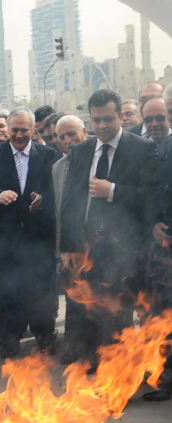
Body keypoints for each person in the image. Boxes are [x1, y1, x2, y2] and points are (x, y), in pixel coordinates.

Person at [60, 89, 159, 370]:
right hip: (88, 247)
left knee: (119, 314)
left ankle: (119, 372)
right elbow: (69, 201)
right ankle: (95, 362)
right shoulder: (81, 151)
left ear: (121, 116)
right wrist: (67, 247)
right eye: (96, 120)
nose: (102, 126)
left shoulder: (141, 148)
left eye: (108, 119)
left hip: (124, 249)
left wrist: (112, 190)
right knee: (91, 308)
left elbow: (150, 198)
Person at [0, 107, 56, 357]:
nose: (19, 135)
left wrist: (44, 199)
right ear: (8, 129)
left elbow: (57, 189)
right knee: (8, 291)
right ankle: (10, 339)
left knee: (40, 290)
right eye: (14, 130)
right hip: (4, 237)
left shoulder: (48, 155)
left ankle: (44, 336)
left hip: (37, 238)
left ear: (33, 130)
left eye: (24, 130)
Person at [52, 115, 90, 364]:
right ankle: (75, 347)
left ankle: (101, 353)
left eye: (71, 134)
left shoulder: (95, 160)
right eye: (62, 137)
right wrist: (61, 250)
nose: (67, 141)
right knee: (73, 299)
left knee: (99, 301)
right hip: (69, 248)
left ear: (84, 133)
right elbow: (59, 211)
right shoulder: (57, 167)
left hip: (96, 245)